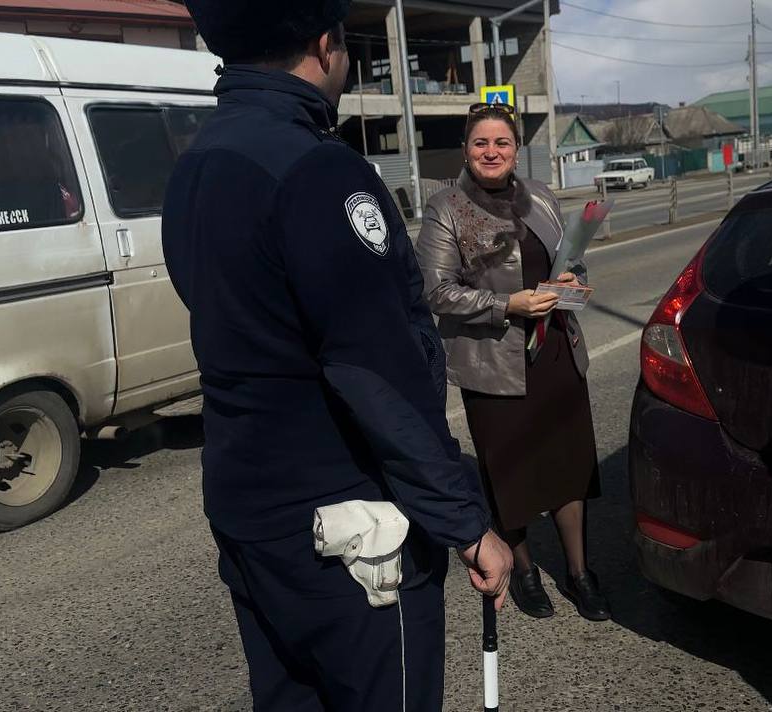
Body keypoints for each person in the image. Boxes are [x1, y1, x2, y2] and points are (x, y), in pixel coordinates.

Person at [161, 3, 513, 710]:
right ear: (325, 45)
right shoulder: (321, 173)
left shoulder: (196, 161)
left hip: (249, 511)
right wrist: (466, 526)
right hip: (348, 532)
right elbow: (379, 376)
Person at [414, 104, 611, 622]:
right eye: (481, 143)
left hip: (556, 352)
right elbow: (435, 291)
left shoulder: (541, 197)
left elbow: (571, 258)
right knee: (512, 472)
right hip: (493, 367)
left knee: (569, 467)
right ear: (465, 150)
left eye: (501, 142)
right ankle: (523, 570)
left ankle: (580, 571)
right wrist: (508, 305)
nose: (492, 152)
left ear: (515, 149)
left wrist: (573, 281)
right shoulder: (446, 208)